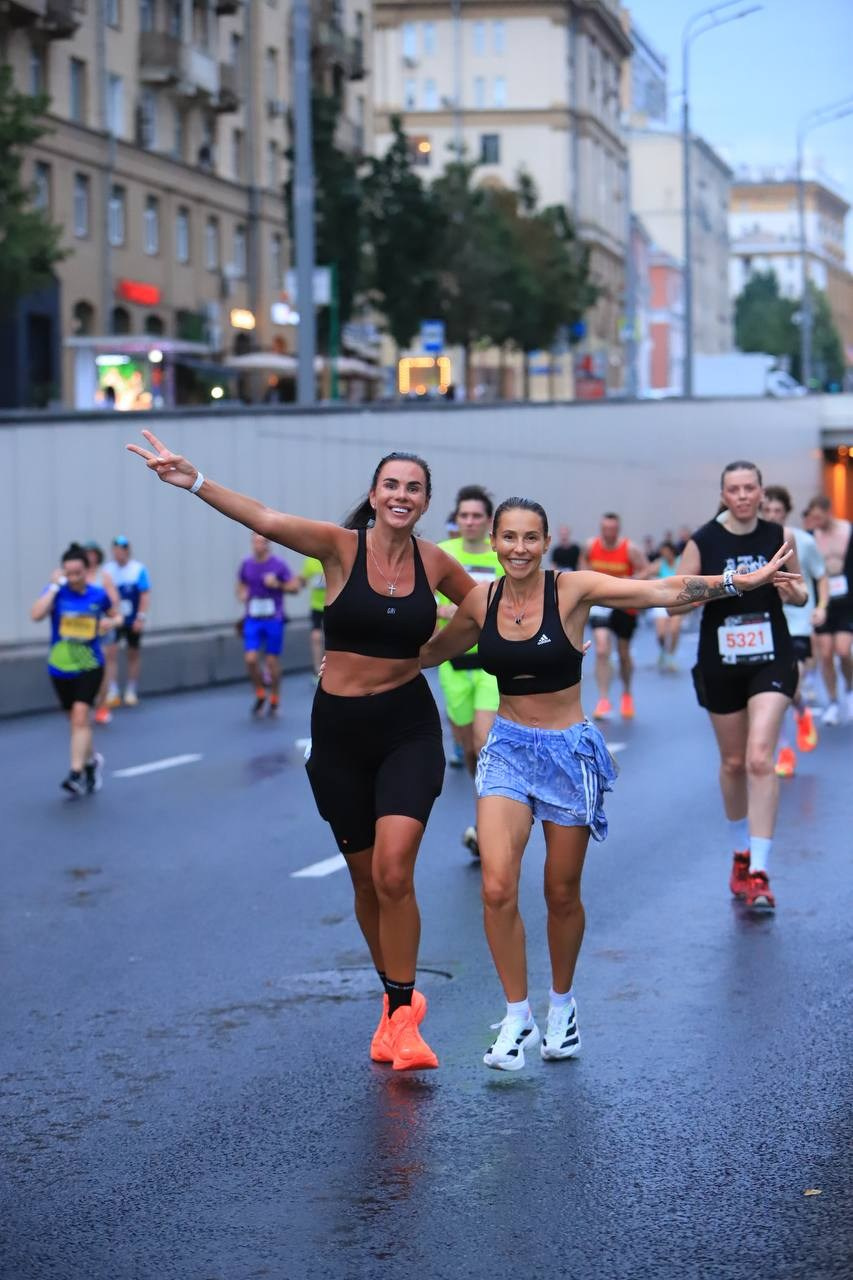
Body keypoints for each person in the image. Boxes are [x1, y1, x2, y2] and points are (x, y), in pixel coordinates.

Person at [128, 429, 475, 1071]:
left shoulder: (437, 564)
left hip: (407, 728)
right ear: (374, 495)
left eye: (414, 488)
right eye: (391, 485)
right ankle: (394, 1003)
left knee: (396, 870)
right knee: (367, 880)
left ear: (426, 503)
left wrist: (430, 655)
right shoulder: (339, 547)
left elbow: (482, 612)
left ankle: (404, 1019)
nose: (401, 495)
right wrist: (194, 481)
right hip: (341, 733)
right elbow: (264, 517)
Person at [420, 495, 795, 1070]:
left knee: (560, 891)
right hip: (507, 750)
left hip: (568, 754)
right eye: (508, 538)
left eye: (530, 538)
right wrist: (357, 666)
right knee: (496, 887)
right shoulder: (479, 601)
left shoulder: (570, 590)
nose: (518, 549)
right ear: (493, 543)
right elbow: (431, 653)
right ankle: (516, 1015)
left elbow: (659, 593)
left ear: (546, 543)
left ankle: (562, 1009)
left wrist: (739, 583)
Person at [673, 462, 807, 913]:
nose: (744, 495)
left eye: (751, 488)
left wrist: (789, 590)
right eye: (735, 489)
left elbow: (803, 594)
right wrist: (729, 585)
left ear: (761, 491)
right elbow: (674, 601)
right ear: (724, 494)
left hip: (771, 656)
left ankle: (762, 870)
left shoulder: (777, 535)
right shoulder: (704, 540)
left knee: (758, 757)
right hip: (721, 659)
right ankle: (740, 854)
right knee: (732, 763)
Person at [435, 485, 504, 858]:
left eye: (477, 515)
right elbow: (421, 600)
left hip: (491, 664)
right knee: (469, 751)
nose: (471, 521)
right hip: (453, 664)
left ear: (488, 521)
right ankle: (486, 815)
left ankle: (488, 827)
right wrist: (441, 612)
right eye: (464, 515)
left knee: (484, 742)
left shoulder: (500, 556)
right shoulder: (444, 555)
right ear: (456, 519)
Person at [30, 543, 122, 796]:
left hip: (90, 664)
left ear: (86, 571)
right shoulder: (57, 593)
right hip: (60, 667)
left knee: (81, 717)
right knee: (76, 723)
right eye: (68, 573)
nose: (73, 578)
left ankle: (75, 772)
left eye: (77, 573)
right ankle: (92, 761)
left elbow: (118, 616)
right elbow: (36, 614)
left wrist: (110, 621)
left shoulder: (97, 595)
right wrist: (53, 586)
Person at [762, 486, 828, 775]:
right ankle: (785, 750)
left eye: (778, 511)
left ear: (786, 512)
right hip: (767, 622)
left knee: (793, 684)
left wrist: (821, 606)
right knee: (774, 690)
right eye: (768, 510)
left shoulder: (800, 540)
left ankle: (801, 711)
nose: (772, 516)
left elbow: (819, 577)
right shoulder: (753, 541)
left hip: (797, 619)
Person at [581, 512, 648, 720]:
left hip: (624, 606)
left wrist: (630, 580)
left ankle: (626, 693)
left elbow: (646, 570)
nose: (609, 533)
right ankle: (603, 699)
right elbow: (582, 569)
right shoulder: (590, 546)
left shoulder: (630, 548)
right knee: (601, 649)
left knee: (623, 653)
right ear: (601, 529)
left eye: (613, 529)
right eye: (605, 529)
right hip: (601, 604)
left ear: (618, 530)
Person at [803, 495, 853, 725]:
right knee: (825, 654)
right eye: (812, 517)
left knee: (843, 651)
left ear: (827, 511)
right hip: (824, 602)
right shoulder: (812, 538)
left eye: (818, 516)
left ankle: (850, 691)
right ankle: (833, 701)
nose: (815, 520)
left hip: (847, 601)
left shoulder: (847, 531)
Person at [237, 533, 299, 717]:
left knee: (271, 661)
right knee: (250, 659)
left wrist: (277, 584)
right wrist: (242, 594)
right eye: (254, 542)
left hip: (273, 618)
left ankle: (275, 697)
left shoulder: (278, 565)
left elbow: (294, 587)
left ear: (268, 545)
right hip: (253, 618)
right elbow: (241, 584)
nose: (257, 545)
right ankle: (260, 692)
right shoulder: (246, 564)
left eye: (261, 542)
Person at [103, 536, 151, 707]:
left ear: (127, 551)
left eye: (122, 550)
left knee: (133, 653)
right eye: (115, 550)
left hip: (132, 619)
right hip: (114, 619)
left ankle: (131, 689)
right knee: (111, 653)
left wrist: (140, 617)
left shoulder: (138, 569)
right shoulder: (107, 570)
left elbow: (145, 594)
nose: (118, 553)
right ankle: (112, 690)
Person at [83, 542, 120, 725]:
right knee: (84, 669)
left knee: (103, 669)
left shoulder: (102, 576)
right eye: (86, 553)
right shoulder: (77, 575)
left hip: (102, 628)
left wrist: (109, 617)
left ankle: (102, 705)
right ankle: (86, 704)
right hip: (82, 630)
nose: (90, 557)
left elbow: (113, 602)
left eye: (93, 553)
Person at [646, 541, 682, 672]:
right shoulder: (660, 564)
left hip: (678, 601)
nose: (664, 554)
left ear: (671, 551)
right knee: (661, 633)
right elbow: (646, 572)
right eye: (662, 553)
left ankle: (671, 656)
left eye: (666, 552)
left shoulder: (681, 562)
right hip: (662, 601)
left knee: (674, 630)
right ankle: (663, 651)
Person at [296, 554, 327, 681]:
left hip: (334, 603)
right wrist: (301, 582)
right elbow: (301, 580)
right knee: (316, 637)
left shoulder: (333, 556)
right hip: (317, 606)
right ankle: (316, 670)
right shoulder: (310, 561)